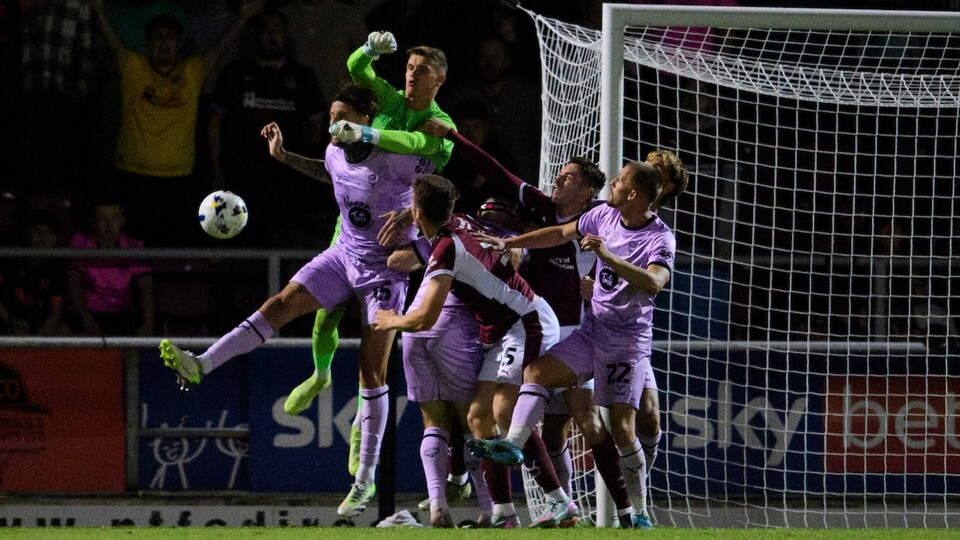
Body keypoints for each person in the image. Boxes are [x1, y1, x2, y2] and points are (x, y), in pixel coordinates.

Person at [158, 83, 433, 520]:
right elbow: (332, 173)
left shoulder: (397, 161)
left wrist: (415, 225)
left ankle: (364, 479)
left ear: (365, 121)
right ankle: (201, 364)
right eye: (330, 116)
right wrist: (284, 157)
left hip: (384, 267)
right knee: (279, 304)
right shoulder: (334, 149)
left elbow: (446, 197)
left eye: (342, 117)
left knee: (371, 366)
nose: (333, 125)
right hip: (343, 254)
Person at [466, 158, 682, 529]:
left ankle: (639, 513)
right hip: (590, 331)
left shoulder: (659, 237)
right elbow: (559, 233)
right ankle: (515, 445)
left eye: (618, 181)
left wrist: (606, 257)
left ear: (632, 193)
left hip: (625, 342)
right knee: (536, 372)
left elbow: (653, 283)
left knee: (622, 427)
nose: (610, 184)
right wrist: (510, 241)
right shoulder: (604, 218)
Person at [282, 32, 457, 479]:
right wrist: (369, 49)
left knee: (373, 354)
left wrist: (407, 214)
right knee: (326, 313)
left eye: (420, 70)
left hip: (396, 240)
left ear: (439, 79)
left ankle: (364, 434)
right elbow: (357, 70)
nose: (411, 76)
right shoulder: (390, 98)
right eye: (408, 67)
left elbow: (430, 191)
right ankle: (320, 375)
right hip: (354, 226)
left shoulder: (442, 129)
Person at [421, 117, 607, 524]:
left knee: (584, 421)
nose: (557, 180)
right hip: (520, 325)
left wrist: (602, 284)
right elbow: (495, 170)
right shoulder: (538, 209)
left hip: (562, 331)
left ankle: (625, 511)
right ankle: (508, 513)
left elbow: (636, 251)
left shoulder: (600, 219)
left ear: (588, 191)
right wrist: (453, 136)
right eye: (558, 175)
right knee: (482, 418)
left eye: (568, 177)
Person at [373, 174, 567, 529]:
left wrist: (391, 321)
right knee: (479, 419)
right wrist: (410, 211)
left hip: (527, 321)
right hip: (504, 330)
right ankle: (504, 514)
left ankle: (560, 503)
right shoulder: (458, 219)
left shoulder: (445, 249)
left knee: (505, 413)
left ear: (418, 213)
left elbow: (426, 317)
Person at [90, 0, 264, 246]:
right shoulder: (133, 68)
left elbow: (219, 49)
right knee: (134, 245)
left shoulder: (192, 72)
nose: (163, 43)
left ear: (179, 44)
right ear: (148, 43)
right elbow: (111, 42)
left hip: (179, 177)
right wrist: (99, 13)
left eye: (169, 38)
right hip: (133, 174)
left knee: (172, 244)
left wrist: (242, 18)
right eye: (157, 38)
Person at [208, 8, 326, 247]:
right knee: (243, 243)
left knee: (290, 239)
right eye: (265, 31)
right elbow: (214, 122)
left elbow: (317, 124)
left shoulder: (302, 76)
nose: (271, 36)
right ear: (256, 35)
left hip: (287, 180)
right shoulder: (235, 73)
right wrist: (217, 167)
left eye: (277, 31)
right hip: (242, 177)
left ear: (286, 35)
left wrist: (300, 161)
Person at [67, 199, 154, 337]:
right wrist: (89, 323)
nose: (108, 225)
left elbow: (146, 288)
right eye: (102, 218)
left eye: (114, 218)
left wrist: (147, 327)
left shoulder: (133, 246)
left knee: (132, 344)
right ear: (93, 222)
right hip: (87, 312)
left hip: (121, 313)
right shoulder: (81, 242)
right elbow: (73, 284)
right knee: (63, 332)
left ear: (122, 221)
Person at [0, 212, 69, 336]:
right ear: (27, 235)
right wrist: (9, 320)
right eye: (37, 232)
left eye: (47, 233)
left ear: (55, 239)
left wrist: (36, 338)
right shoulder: (12, 259)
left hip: (42, 320)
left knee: (63, 330)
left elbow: (56, 312)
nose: (42, 238)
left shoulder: (58, 267)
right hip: (13, 318)